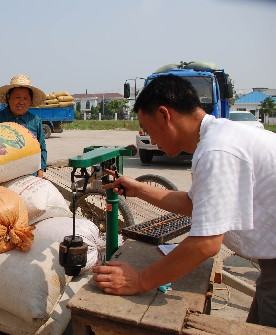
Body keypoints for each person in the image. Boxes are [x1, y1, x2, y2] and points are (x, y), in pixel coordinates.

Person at [92, 74, 276, 328]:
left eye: (150, 129)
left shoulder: (216, 151)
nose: (152, 139)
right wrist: (138, 189)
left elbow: (206, 244)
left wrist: (139, 280)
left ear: (165, 115)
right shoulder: (218, 137)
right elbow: (195, 204)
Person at [0, 74, 47, 178]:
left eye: (26, 98)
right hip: (2, 177)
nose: (21, 102)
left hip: (29, 177)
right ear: (8, 98)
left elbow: (41, 149)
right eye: (17, 97)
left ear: (30, 101)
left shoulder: (35, 121)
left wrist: (40, 173)